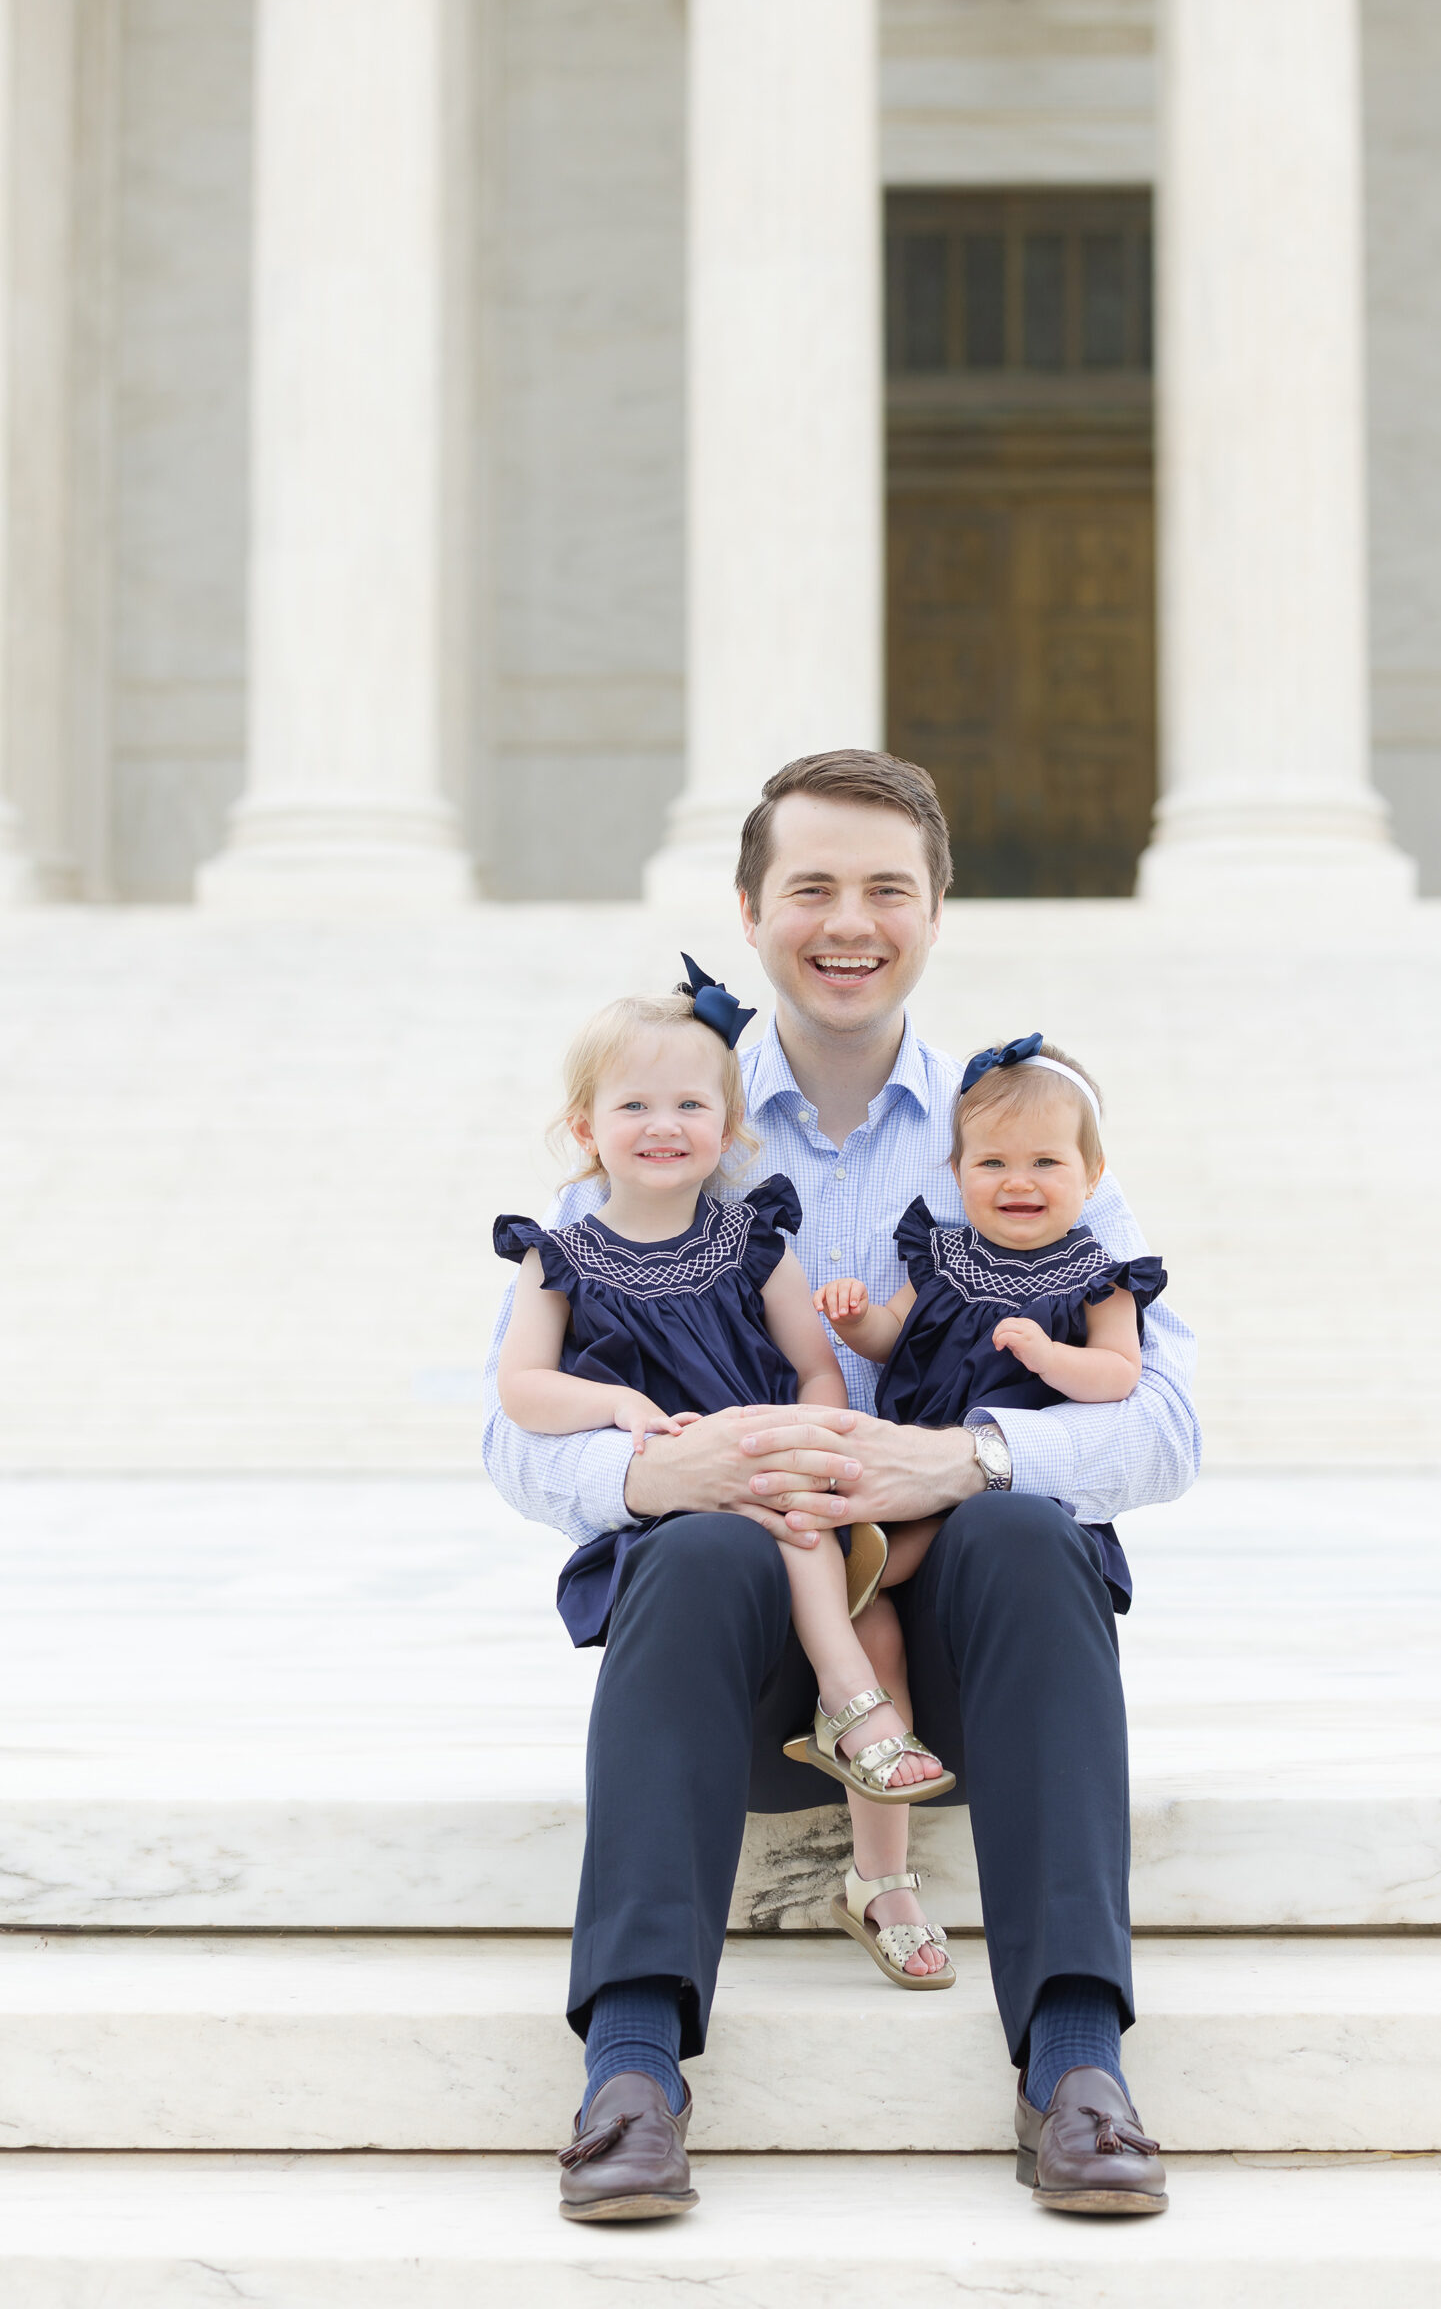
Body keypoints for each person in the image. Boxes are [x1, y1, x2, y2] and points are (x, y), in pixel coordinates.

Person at [481, 748, 1201, 2223]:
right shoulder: (661, 1115)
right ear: (749, 909)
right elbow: (511, 1425)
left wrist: (962, 1453)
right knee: (687, 1551)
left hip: (964, 1658)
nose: (848, 920)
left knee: (1022, 1526)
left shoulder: (1025, 1135)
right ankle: (631, 2072)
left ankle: (1075, 2064)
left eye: (887, 886)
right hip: (746, 1657)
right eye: (810, 886)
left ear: (938, 909)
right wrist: (653, 1462)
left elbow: (1172, 1419)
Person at [492, 968, 958, 2035]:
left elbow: (816, 1364)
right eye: (635, 1106)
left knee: (874, 1617)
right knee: (767, 1503)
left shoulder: (754, 1239)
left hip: (789, 1475)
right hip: (688, 1506)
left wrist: (816, 1433)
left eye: (692, 1104)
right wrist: (618, 1407)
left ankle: (880, 1880)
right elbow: (523, 1387)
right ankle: (849, 1707)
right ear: (585, 1127)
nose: (665, 1125)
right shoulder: (558, 1254)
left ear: (731, 1126)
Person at [814, 1033, 1169, 1633]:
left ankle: (842, 1596)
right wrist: (855, 1321)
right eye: (993, 1163)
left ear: (1092, 1175)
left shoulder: (1097, 1279)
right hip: (914, 1456)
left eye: (1046, 1163)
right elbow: (892, 1336)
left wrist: (1050, 1355)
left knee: (927, 1547)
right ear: (958, 1172)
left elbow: (1119, 1373)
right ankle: (851, 1649)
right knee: (884, 1555)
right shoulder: (946, 1257)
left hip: (1017, 1482)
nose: (1019, 1182)